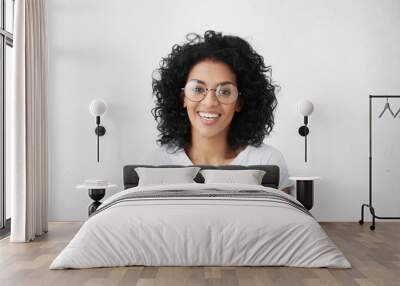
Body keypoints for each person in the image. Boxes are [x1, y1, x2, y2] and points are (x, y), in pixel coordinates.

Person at [142, 30, 293, 193]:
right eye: (198, 89)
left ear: (239, 103)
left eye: (225, 91)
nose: (210, 102)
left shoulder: (266, 161)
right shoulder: (156, 162)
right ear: (183, 98)